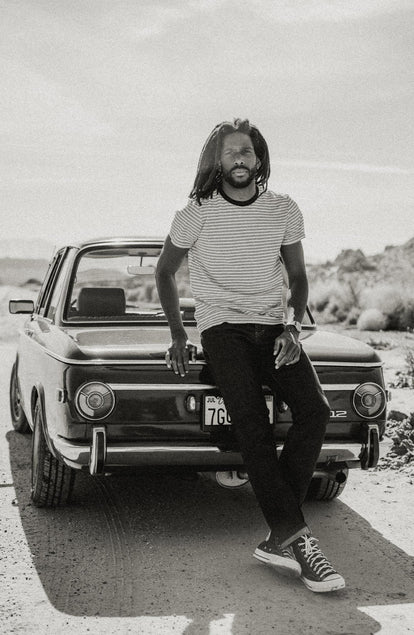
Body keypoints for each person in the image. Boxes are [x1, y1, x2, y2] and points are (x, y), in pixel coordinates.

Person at [155, 118, 345, 593]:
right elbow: (165, 271)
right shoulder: (197, 211)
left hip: (275, 327)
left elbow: (298, 277)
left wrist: (294, 326)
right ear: (216, 161)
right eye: (229, 152)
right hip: (222, 330)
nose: (238, 159)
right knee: (251, 425)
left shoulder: (283, 209)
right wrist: (180, 333)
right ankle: (299, 542)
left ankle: (278, 533)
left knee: (315, 411)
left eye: (246, 151)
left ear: (259, 159)